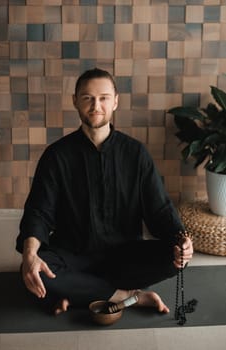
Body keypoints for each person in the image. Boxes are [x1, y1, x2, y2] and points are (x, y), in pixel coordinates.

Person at [16, 68, 193, 316]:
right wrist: (30, 255)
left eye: (104, 98)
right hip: (73, 253)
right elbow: (39, 212)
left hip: (124, 257)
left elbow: (160, 209)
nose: (95, 105)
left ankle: (79, 292)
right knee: (33, 268)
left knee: (174, 259)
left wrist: (181, 242)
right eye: (87, 98)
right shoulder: (56, 155)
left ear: (116, 101)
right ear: (75, 101)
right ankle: (128, 296)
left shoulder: (135, 153)